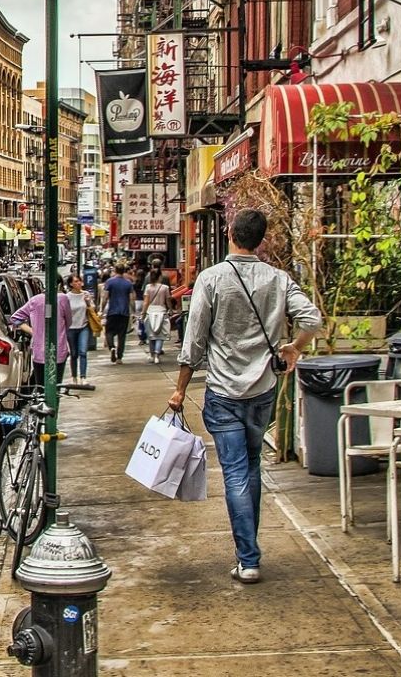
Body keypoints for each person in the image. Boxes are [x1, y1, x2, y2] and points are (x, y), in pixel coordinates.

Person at [168, 209, 323, 585]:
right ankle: (248, 550)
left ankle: (248, 558)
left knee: (237, 471)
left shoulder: (212, 278)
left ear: (229, 234)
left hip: (223, 392)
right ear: (261, 240)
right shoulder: (277, 278)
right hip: (263, 391)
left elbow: (195, 340)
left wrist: (180, 388)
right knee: (251, 466)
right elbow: (313, 320)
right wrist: (295, 349)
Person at [9, 287, 72, 384]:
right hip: (58, 350)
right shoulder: (63, 298)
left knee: (40, 387)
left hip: (39, 350)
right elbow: (69, 322)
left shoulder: (35, 300)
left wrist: (33, 331)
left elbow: (15, 318)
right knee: (56, 386)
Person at [101, 264, 135, 363]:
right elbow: (132, 299)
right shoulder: (128, 283)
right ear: (124, 271)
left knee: (109, 332)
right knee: (122, 335)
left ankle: (111, 347)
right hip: (124, 312)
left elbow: (105, 297)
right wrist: (134, 311)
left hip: (112, 311)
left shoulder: (109, 282)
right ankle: (119, 357)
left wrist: (102, 309)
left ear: (115, 270)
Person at [62, 273, 92, 381]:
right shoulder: (67, 297)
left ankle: (83, 377)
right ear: (71, 284)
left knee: (83, 352)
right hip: (71, 328)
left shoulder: (85, 294)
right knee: (74, 354)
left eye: (79, 281)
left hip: (83, 326)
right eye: (75, 281)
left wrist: (88, 302)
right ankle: (74, 376)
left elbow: (93, 309)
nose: (78, 283)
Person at [140, 269, 173, 364]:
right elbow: (168, 300)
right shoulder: (165, 288)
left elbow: (146, 302)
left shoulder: (148, 287)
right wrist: (170, 309)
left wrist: (143, 313)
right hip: (161, 311)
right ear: (160, 277)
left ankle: (151, 355)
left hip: (150, 311)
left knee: (151, 335)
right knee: (160, 335)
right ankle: (157, 355)